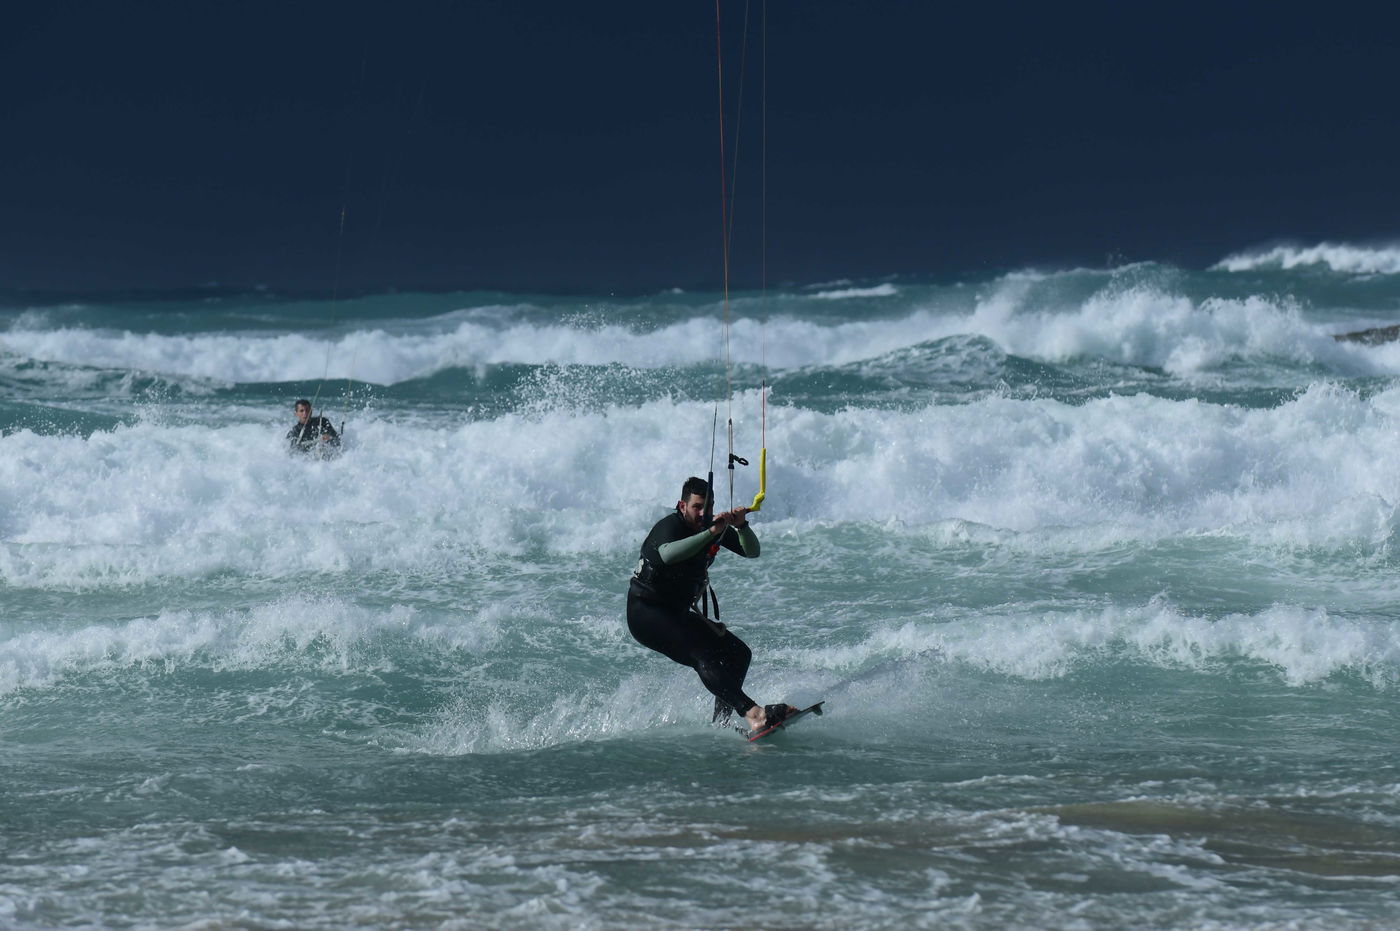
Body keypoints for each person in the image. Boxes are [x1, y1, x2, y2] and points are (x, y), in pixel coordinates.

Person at [627, 476, 794, 732]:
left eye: (708, 506)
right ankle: (754, 713)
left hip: (677, 613)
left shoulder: (713, 527)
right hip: (646, 613)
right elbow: (667, 554)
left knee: (738, 654)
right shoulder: (670, 526)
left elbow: (752, 551)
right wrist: (710, 533)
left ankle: (721, 723)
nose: (703, 512)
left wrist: (741, 526)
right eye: (697, 506)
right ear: (682, 506)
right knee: (703, 655)